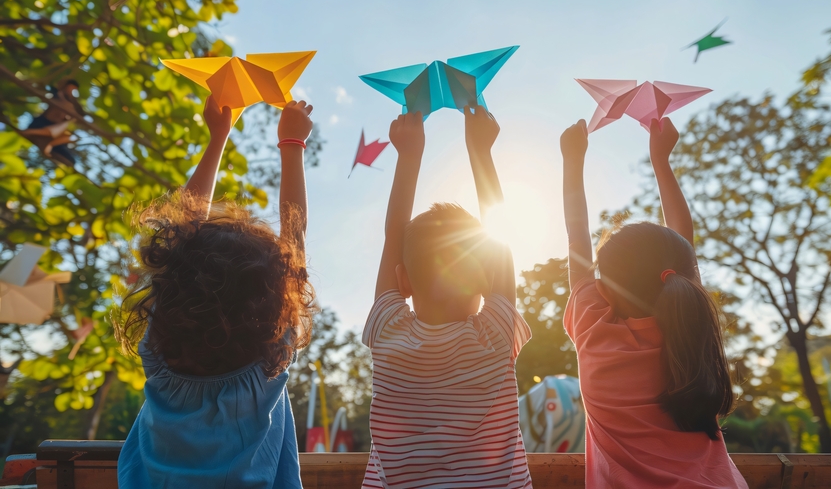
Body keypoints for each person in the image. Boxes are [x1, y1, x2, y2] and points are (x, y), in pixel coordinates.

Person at [114, 98, 317, 489]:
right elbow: (296, 239)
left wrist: (217, 137)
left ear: (174, 284)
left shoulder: (157, 355)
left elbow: (180, 232)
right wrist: (291, 143)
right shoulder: (267, 365)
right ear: (275, 295)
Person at [560, 117, 747, 488]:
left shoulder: (595, 334)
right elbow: (681, 251)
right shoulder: (692, 330)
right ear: (681, 274)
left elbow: (577, 237)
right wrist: (661, 159)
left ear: (607, 291)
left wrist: (572, 160)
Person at [361, 106, 533, 488]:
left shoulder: (388, 332)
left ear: (402, 281)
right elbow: (501, 235)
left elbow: (393, 239)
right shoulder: (495, 337)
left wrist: (409, 155)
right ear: (486, 278)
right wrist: (480, 150)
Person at [22, 79, 84, 164]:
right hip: (40, 124)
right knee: (65, 126)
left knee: (72, 158)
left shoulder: (72, 105)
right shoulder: (56, 94)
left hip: (53, 136)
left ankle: (50, 144)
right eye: (71, 89)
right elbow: (39, 88)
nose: (71, 92)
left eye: (74, 90)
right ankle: (31, 132)